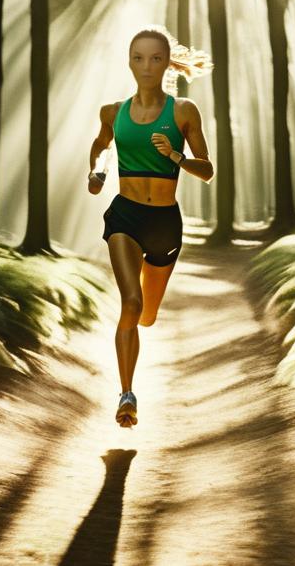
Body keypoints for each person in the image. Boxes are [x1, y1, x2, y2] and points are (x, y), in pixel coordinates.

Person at [87, 25, 215, 427]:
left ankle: (140, 323)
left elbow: (208, 171)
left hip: (165, 222)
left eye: (155, 58)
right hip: (125, 215)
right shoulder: (113, 112)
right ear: (129, 61)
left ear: (166, 64)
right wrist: (96, 172)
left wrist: (176, 156)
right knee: (131, 302)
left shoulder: (182, 111)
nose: (146, 65)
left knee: (147, 315)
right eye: (139, 57)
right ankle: (127, 394)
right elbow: (100, 146)